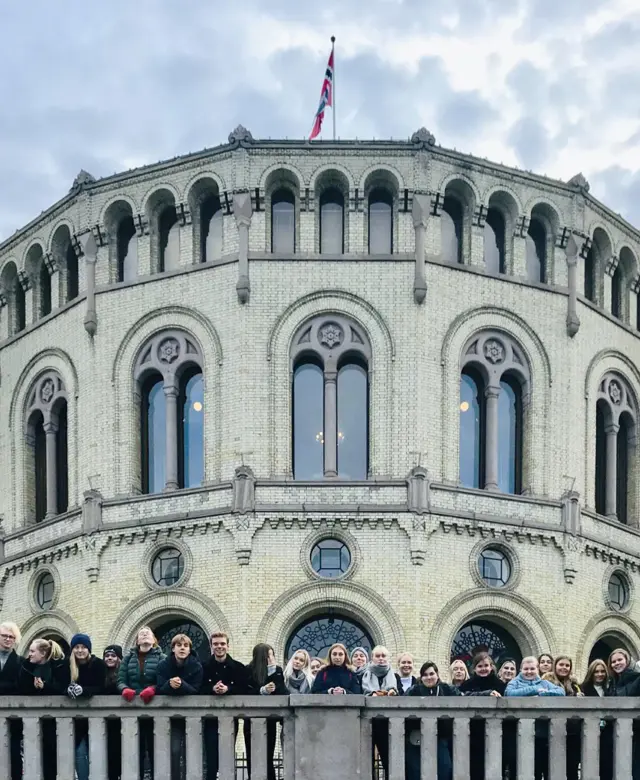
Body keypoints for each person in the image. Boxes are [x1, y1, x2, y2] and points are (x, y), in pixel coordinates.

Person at [18, 638, 70, 780]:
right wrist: (27, 664)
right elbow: (22, 688)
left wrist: (45, 687)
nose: (30, 654)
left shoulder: (59, 666)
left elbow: (63, 689)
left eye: (33, 651)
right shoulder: (29, 666)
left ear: (43, 653)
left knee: (53, 760)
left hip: (55, 722)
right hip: (34, 721)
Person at [505, 657, 564, 780]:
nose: (529, 671)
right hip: (518, 732)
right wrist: (534, 690)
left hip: (541, 733)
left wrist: (543, 693)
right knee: (519, 769)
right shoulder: (514, 682)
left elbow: (561, 692)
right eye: (526, 669)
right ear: (521, 669)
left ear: (537, 669)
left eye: (532, 669)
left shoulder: (544, 683)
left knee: (539, 769)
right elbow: (510, 694)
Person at [118, 626, 165, 778]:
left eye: (148, 633)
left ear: (154, 639)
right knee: (134, 748)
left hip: (155, 711)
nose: (144, 635)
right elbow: (120, 680)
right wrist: (124, 689)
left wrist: (153, 689)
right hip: (133, 709)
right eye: (141, 634)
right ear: (137, 640)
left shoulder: (161, 657)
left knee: (154, 748)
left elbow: (164, 680)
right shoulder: (128, 658)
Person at [201, 631, 248, 780]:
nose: (219, 647)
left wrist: (228, 689)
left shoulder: (239, 667)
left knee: (227, 757)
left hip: (230, 720)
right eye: (216, 644)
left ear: (228, 646)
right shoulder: (203, 667)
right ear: (211, 646)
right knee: (211, 759)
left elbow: (245, 689)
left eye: (222, 644)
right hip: (209, 720)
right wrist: (212, 689)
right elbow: (197, 688)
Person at [157, 634, 203, 780]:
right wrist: (169, 685)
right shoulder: (163, 665)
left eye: (185, 646)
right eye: (179, 645)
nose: (182, 648)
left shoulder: (196, 666)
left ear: (189, 650)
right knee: (174, 751)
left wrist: (182, 685)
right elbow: (159, 688)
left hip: (193, 717)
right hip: (172, 717)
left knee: (193, 752)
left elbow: (197, 690)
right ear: (173, 648)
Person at [405, 661, 460, 780]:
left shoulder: (447, 689)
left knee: (445, 769)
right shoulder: (413, 691)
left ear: (437, 675)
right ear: (421, 677)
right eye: (425, 675)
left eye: (431, 674)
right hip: (417, 737)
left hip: (441, 737)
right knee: (416, 772)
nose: (429, 677)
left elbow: (465, 698)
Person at [66, 634, 107, 780]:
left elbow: (102, 687)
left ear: (88, 649)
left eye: (83, 647)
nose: (80, 650)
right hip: (76, 718)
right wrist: (68, 690)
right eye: (76, 647)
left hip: (95, 715)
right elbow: (60, 685)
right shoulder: (68, 665)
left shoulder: (98, 664)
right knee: (79, 751)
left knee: (96, 751)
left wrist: (84, 691)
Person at [460, 652, 505, 780]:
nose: (483, 669)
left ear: (491, 666)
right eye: (480, 666)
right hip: (473, 730)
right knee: (475, 766)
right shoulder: (467, 684)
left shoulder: (500, 684)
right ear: (474, 668)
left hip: (495, 729)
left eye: (486, 665)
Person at [245, 643, 287, 780]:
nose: (271, 658)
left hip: (270, 721)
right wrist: (262, 690)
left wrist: (273, 672)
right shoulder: (248, 670)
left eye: (272, 654)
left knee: (268, 756)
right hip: (251, 721)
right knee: (253, 756)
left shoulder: (277, 670)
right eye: (268, 655)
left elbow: (282, 692)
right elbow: (245, 692)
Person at [361, 646, 400, 776]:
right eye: (377, 656)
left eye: (383, 656)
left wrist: (394, 693)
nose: (381, 659)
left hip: (387, 725)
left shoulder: (395, 677)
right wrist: (371, 695)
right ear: (372, 658)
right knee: (366, 761)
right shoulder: (363, 674)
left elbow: (402, 697)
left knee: (389, 760)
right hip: (367, 724)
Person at [581, 660, 612, 780]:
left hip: (608, 734)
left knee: (607, 767)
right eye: (596, 672)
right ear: (591, 673)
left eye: (602, 671)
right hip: (590, 733)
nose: (600, 674)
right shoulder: (583, 688)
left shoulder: (610, 688)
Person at [0, 622, 23, 780]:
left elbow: (19, 686)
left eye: (11, 637)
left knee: (13, 754)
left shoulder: (20, 661)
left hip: (12, 717)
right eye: (4, 636)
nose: (8, 639)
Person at [102, 645, 123, 780]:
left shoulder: (122, 674)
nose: (109, 658)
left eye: (113, 656)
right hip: (104, 721)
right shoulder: (100, 673)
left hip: (120, 720)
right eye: (107, 656)